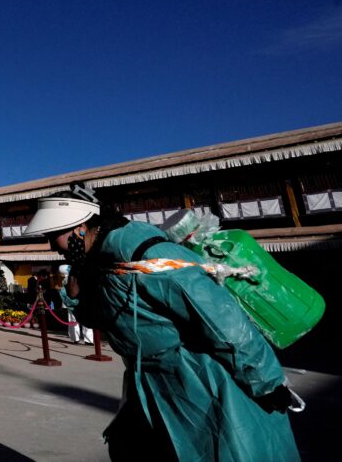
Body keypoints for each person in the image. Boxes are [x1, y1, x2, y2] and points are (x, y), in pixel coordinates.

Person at [23, 183, 299, 461]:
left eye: (53, 234)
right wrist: (76, 289)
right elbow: (100, 318)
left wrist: (267, 381)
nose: (50, 244)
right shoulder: (98, 262)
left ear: (79, 226)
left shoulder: (142, 251)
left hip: (199, 381)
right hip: (150, 383)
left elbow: (219, 316)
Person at [58, 264, 92, 344]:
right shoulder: (81, 276)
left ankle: (75, 338)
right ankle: (89, 339)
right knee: (85, 319)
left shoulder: (66, 280)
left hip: (71, 302)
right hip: (83, 301)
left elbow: (63, 293)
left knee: (73, 320)